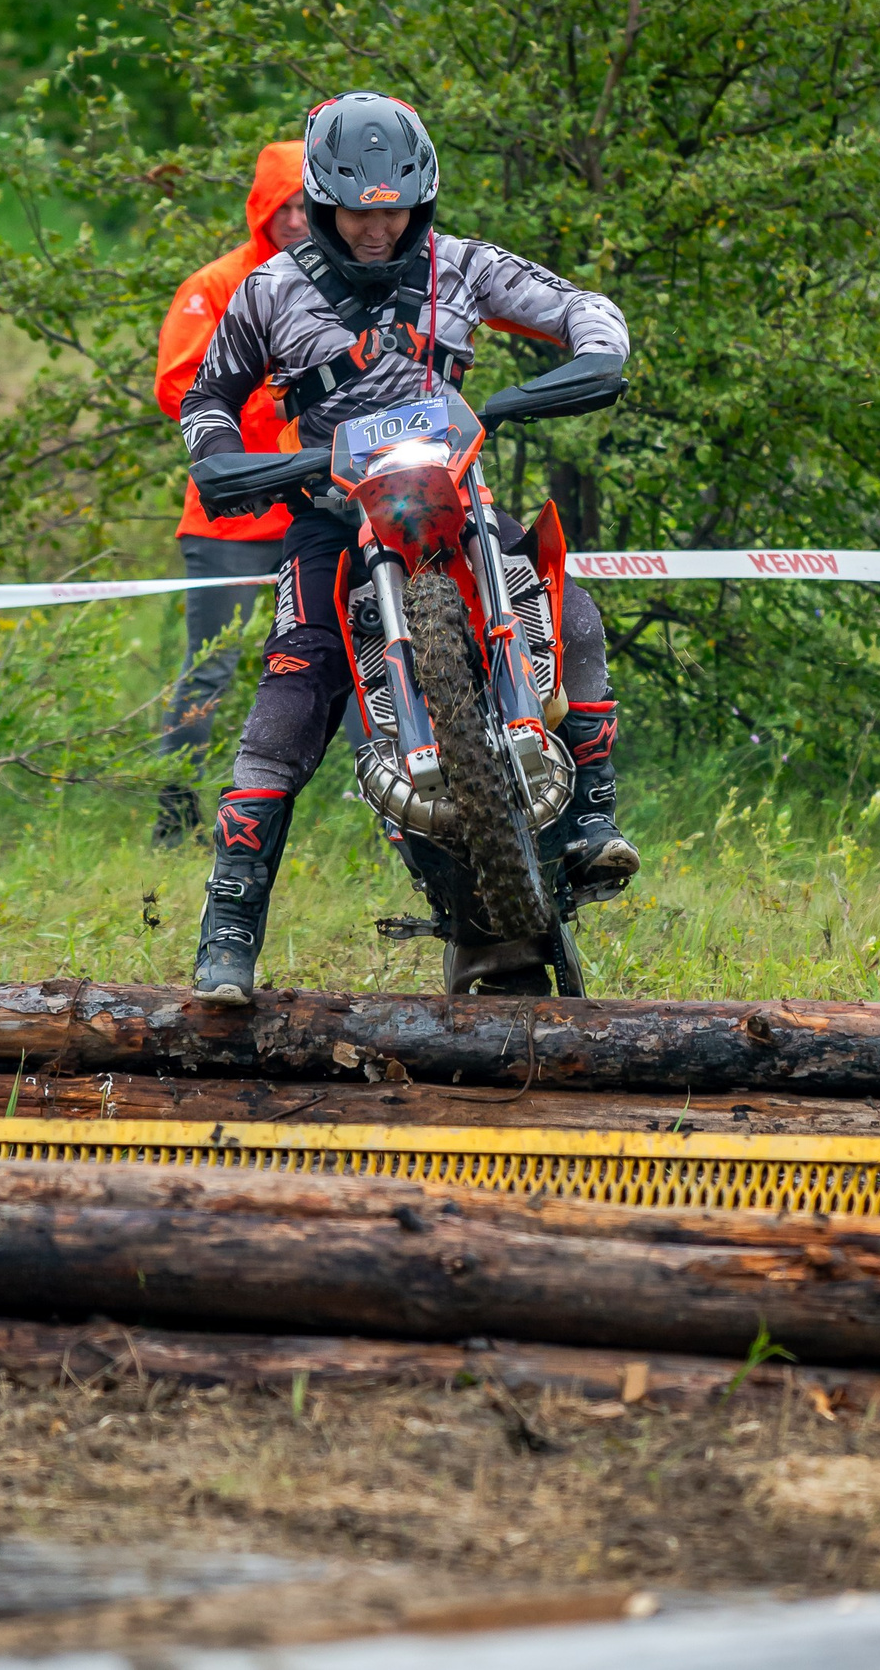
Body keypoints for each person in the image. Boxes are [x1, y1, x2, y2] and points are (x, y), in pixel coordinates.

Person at [177, 92, 640, 1005]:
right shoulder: (269, 289)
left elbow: (588, 310)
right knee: (288, 698)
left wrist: (575, 363)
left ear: (419, 202)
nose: (376, 228)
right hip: (331, 511)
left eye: (392, 211)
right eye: (358, 211)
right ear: (320, 202)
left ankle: (591, 814)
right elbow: (205, 399)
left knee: (568, 606)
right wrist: (231, 462)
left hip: (454, 490)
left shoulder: (463, 265)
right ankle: (227, 935)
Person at [149, 140, 310, 845]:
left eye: (313, 206)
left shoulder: (342, 284)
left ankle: (368, 812)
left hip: (316, 510)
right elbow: (178, 386)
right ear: (264, 209)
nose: (302, 220)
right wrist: (269, 405)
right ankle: (175, 816)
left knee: (334, 665)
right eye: (290, 207)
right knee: (209, 672)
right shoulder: (214, 284)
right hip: (228, 522)